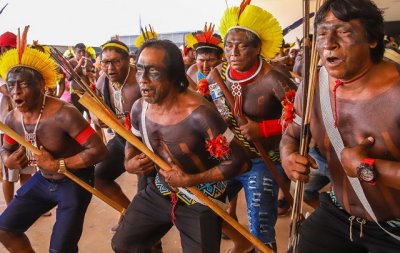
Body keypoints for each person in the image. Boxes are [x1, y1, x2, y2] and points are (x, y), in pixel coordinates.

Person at [280, 0, 400, 252]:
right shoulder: (312, 85)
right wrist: (288, 156)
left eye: (344, 31)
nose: (328, 43)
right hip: (338, 216)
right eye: (322, 32)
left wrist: (367, 168)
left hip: (394, 230)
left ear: (372, 39)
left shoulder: (396, 93)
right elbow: (291, 135)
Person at [111, 39, 250, 253]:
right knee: (124, 244)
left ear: (175, 75)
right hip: (161, 189)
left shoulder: (200, 114)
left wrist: (191, 179)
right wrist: (129, 162)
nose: (143, 81)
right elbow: (134, 140)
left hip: (201, 198)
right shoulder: (140, 107)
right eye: (139, 70)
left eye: (153, 72)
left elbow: (240, 162)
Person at [0, 30, 108, 252]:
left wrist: (60, 164)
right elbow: (6, 148)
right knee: (5, 229)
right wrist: (8, 160)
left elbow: (99, 150)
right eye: (11, 85)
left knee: (60, 249)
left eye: (23, 84)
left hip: (75, 181)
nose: (16, 92)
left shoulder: (63, 113)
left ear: (41, 84)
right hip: (44, 180)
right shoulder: (12, 118)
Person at [207, 3, 297, 252]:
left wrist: (264, 129)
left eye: (242, 45)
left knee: (260, 228)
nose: (233, 52)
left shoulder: (273, 78)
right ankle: (240, 242)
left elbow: (304, 117)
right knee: (203, 206)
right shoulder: (217, 76)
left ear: (258, 47)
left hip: (263, 160)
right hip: (230, 159)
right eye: (228, 46)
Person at [94, 39, 141, 212]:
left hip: (146, 144)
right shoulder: (102, 81)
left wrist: (124, 122)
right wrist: (97, 116)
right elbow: (96, 106)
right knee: (98, 177)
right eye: (106, 62)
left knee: (145, 191)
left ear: (128, 60)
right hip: (122, 140)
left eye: (116, 61)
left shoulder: (140, 80)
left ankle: (145, 232)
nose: (110, 68)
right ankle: (128, 214)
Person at [0, 31, 35, 206]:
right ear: (4, 49)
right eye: (10, 49)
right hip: (5, 127)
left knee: (27, 167)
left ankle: (28, 206)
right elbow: (9, 91)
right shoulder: (3, 69)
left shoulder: (16, 68)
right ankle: (10, 208)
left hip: (23, 124)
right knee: (9, 172)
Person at [186, 23, 224, 93]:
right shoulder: (192, 71)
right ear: (195, 57)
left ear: (220, 59)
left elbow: (220, 103)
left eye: (211, 60)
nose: (205, 65)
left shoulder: (226, 73)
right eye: (201, 60)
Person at [67, 43, 95, 119]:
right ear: (74, 52)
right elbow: (69, 77)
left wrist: (92, 75)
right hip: (76, 94)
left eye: (83, 51)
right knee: (78, 117)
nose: (82, 54)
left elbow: (94, 75)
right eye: (79, 52)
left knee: (92, 116)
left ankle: (92, 131)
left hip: (88, 93)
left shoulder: (89, 62)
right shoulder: (71, 62)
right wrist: (79, 65)